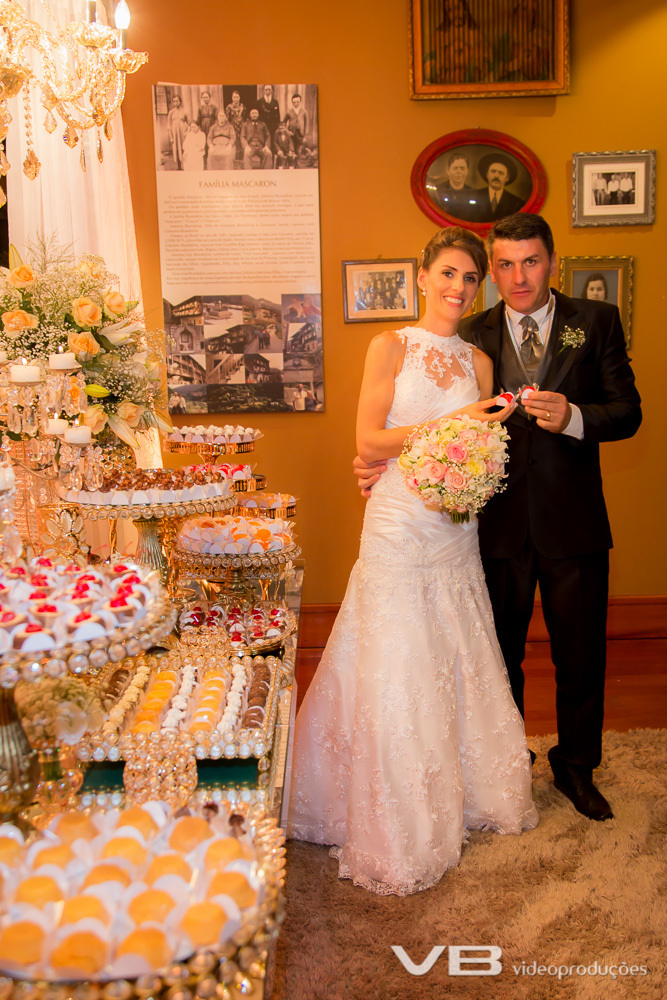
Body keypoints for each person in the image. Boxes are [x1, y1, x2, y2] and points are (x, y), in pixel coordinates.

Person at [354, 213, 642, 823]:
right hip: (491, 524)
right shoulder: (471, 331)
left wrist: (575, 417)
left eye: (530, 262)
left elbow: (628, 411)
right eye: (505, 265)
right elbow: (428, 420)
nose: (519, 277)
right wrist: (376, 463)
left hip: (573, 520)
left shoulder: (596, 321)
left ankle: (576, 765)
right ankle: (505, 761)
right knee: (495, 656)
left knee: (581, 654)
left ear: (552, 262)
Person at [288, 227, 537, 896]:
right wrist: (453, 427)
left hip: (454, 526)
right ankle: (387, 812)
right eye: (448, 273)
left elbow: (486, 444)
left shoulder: (479, 362)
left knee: (454, 648)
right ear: (422, 277)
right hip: (398, 519)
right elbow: (369, 439)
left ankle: (468, 790)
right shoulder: (389, 345)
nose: (459, 287)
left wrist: (472, 467)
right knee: (394, 654)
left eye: (470, 278)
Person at [471, 153, 525, 222]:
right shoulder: (474, 196)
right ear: (487, 175)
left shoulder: (516, 203)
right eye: (493, 171)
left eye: (501, 173)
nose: (496, 176)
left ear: (507, 178)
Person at [433, 152, 477, 221]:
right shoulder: (438, 190)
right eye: (455, 168)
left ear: (467, 171)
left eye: (462, 168)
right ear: (448, 171)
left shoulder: (473, 194)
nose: (459, 171)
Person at [166, 94, 189, 170]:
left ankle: (185, 166)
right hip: (175, 132)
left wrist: (187, 133)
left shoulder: (185, 111)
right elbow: (168, 125)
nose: (175, 103)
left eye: (177, 101)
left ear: (180, 102)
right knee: (176, 148)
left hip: (183, 132)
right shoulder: (171, 112)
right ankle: (178, 166)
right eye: (174, 101)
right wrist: (171, 136)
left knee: (183, 148)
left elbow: (190, 123)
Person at [283, 93, 307, 160]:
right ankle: (292, 164)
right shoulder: (289, 112)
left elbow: (306, 124)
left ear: (300, 102)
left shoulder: (304, 112)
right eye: (294, 102)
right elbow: (283, 123)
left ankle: (298, 165)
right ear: (292, 102)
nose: (296, 104)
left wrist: (304, 136)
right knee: (291, 152)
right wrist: (287, 131)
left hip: (300, 135)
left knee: (298, 151)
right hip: (291, 135)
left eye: (297, 102)